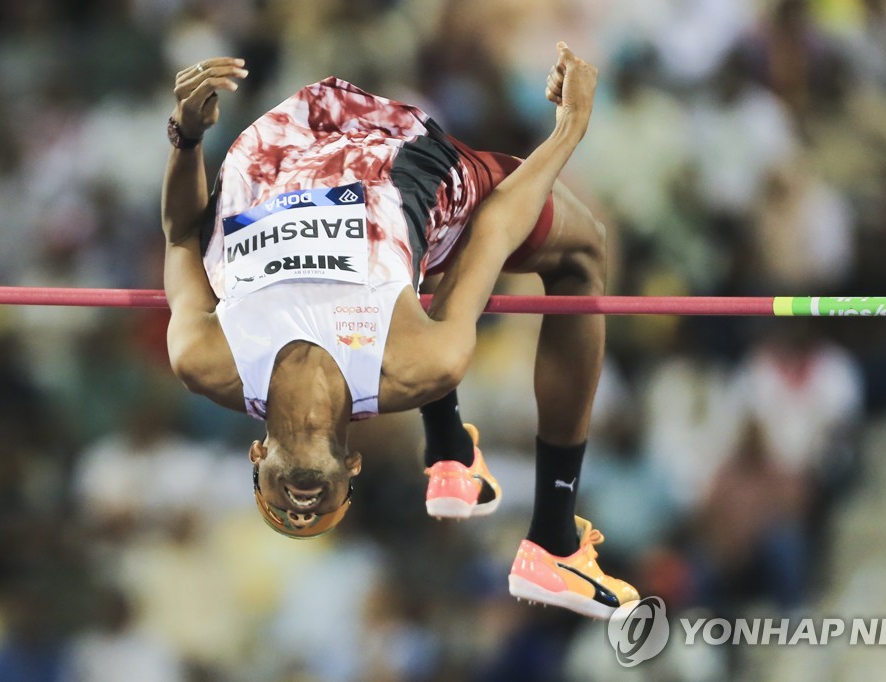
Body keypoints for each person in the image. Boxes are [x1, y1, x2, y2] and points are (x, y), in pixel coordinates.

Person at [160, 42, 638, 618]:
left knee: (410, 277)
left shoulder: (206, 358)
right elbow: (492, 229)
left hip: (274, 154)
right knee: (581, 251)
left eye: (281, 514)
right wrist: (569, 129)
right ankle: (552, 541)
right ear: (353, 467)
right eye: (319, 517)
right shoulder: (417, 364)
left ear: (256, 455)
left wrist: (186, 137)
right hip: (395, 159)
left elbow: (182, 237)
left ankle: (451, 453)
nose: (302, 514)